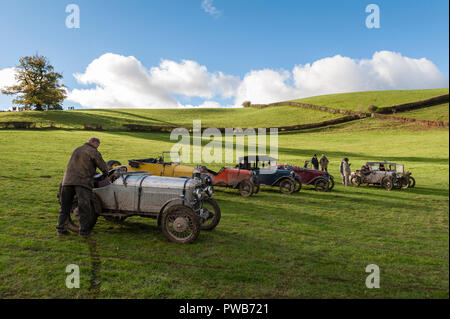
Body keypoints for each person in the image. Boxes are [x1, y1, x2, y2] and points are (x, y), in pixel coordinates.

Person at [57, 137, 108, 237]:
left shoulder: (77, 149)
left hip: (67, 181)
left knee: (65, 207)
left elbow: (79, 165)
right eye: (98, 145)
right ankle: (84, 232)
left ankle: (60, 229)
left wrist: (92, 170)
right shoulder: (93, 151)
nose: (98, 147)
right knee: (84, 207)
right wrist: (106, 173)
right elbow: (103, 166)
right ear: (94, 143)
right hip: (82, 182)